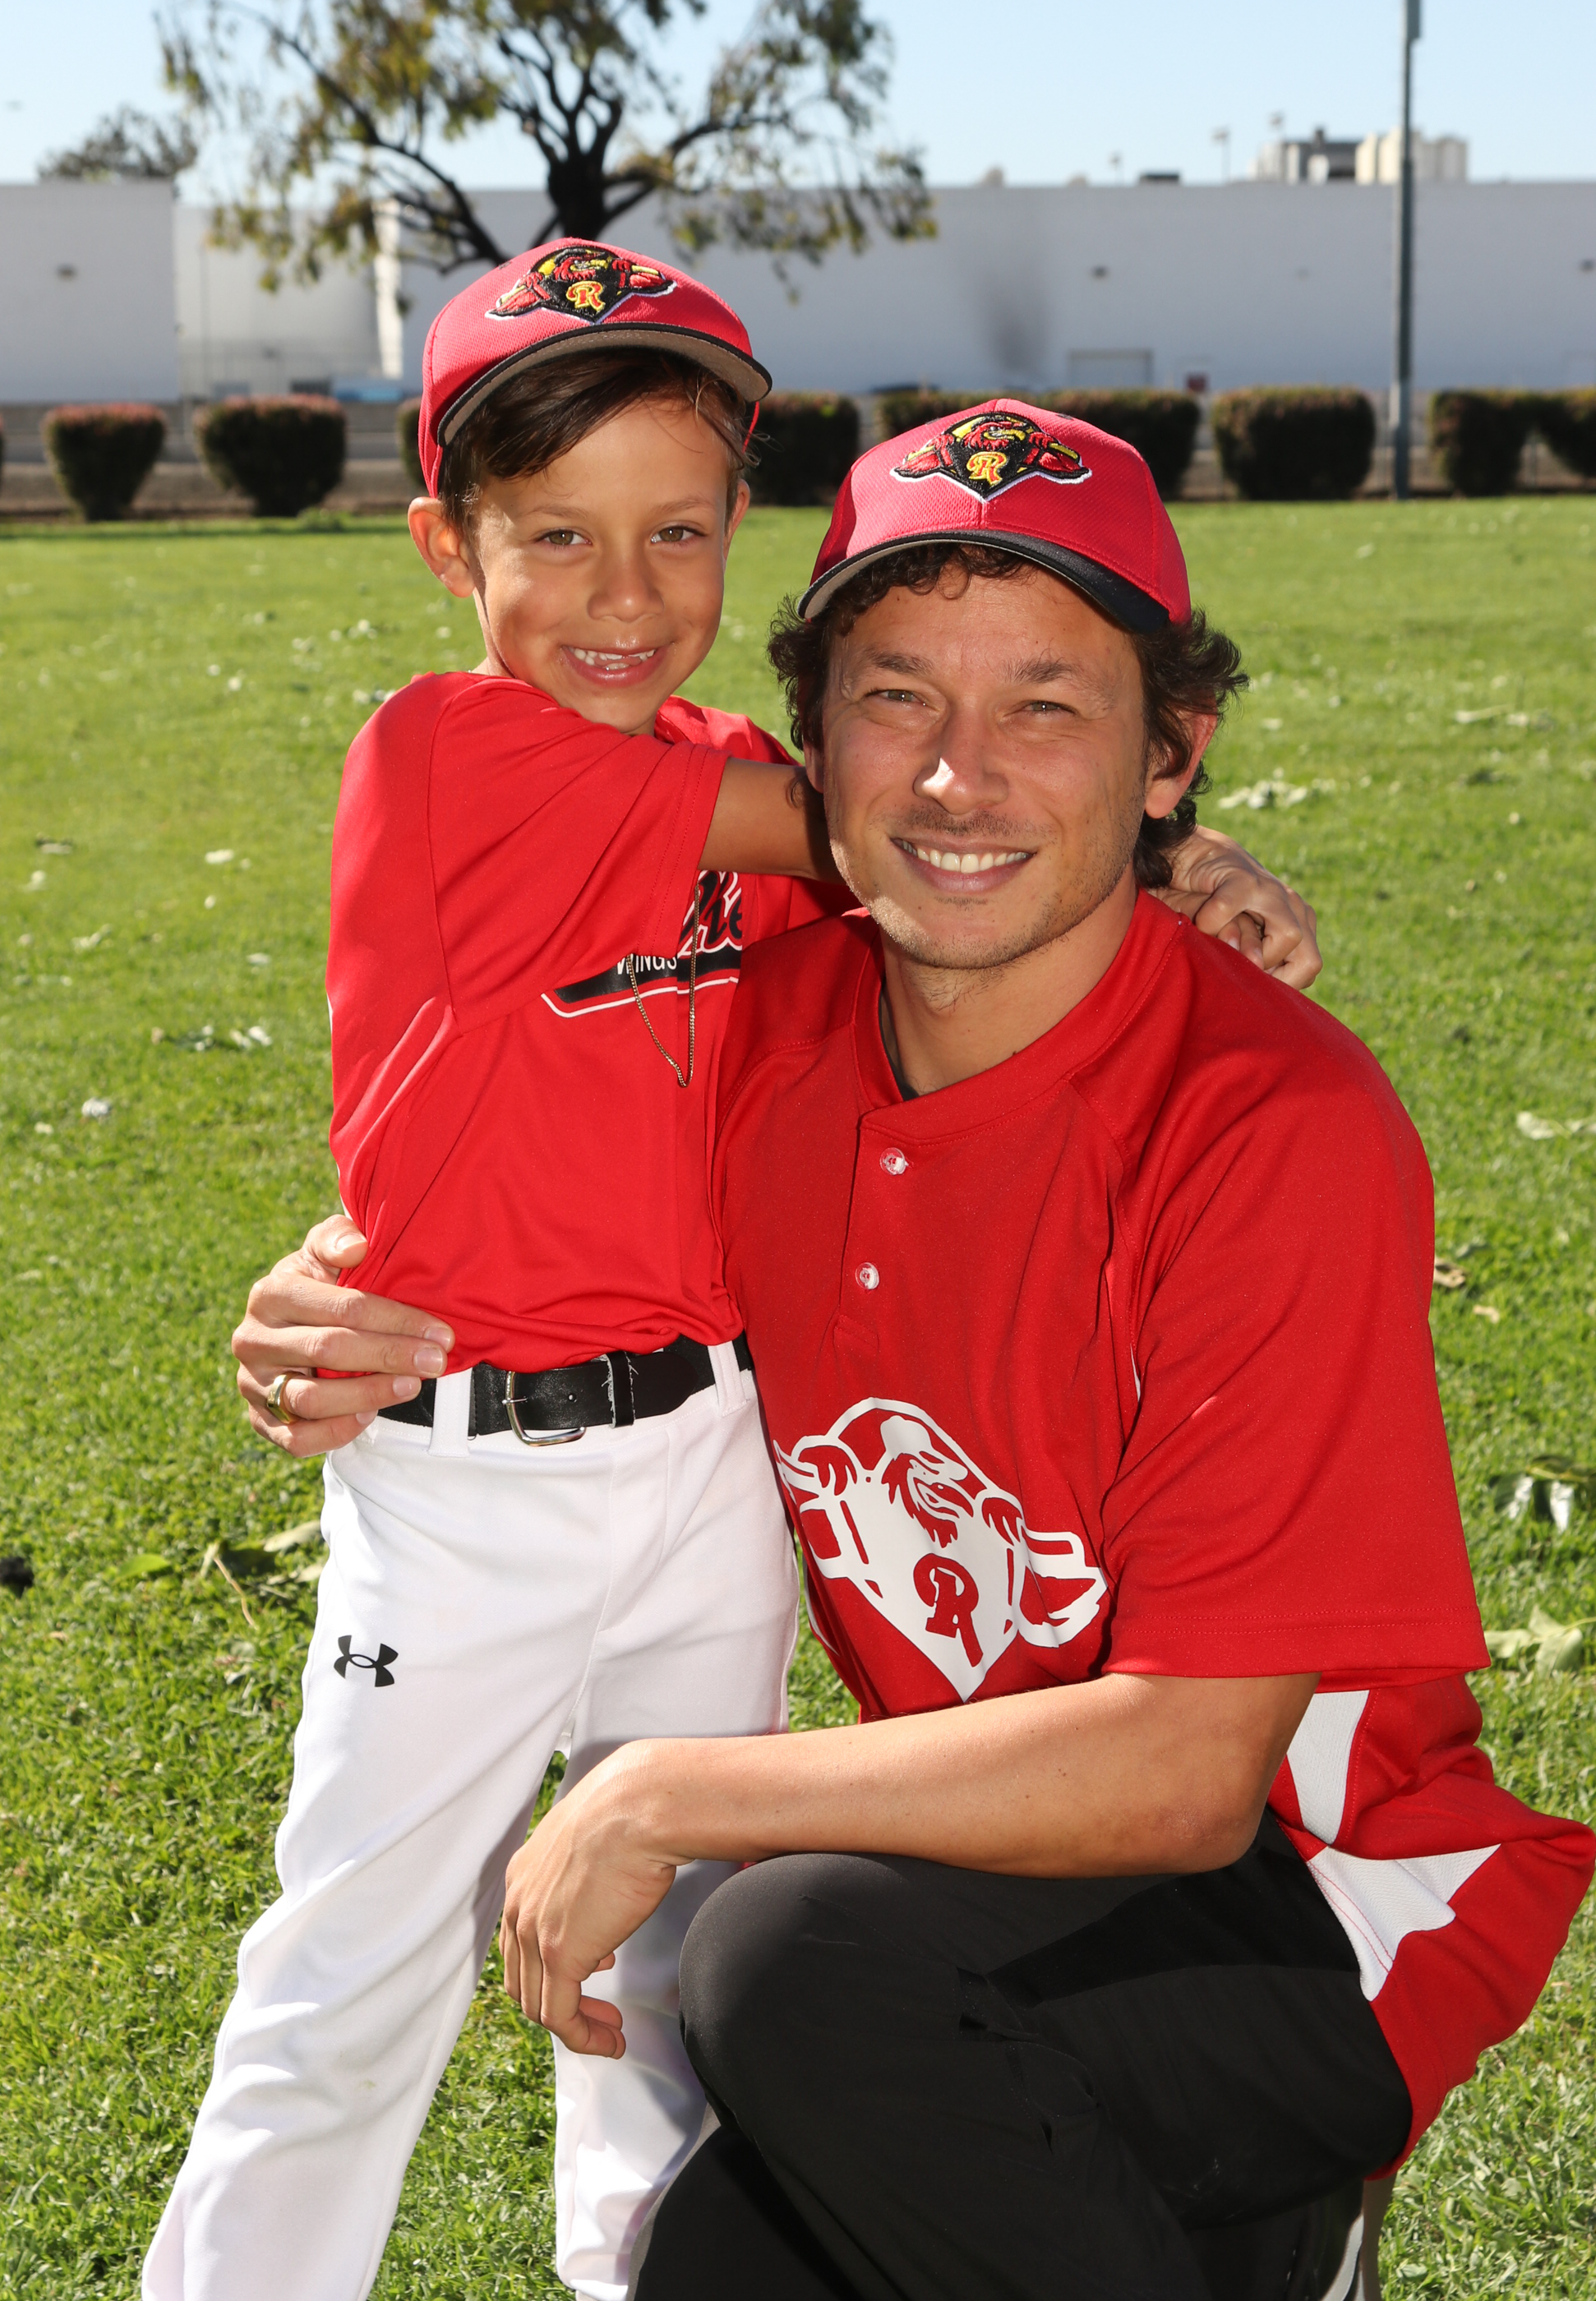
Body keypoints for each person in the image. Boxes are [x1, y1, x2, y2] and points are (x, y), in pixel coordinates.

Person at [161, 249, 1314, 2301]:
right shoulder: (449, 750)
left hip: (711, 1453)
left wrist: (1161, 866)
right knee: (354, 1970)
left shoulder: (722, 768)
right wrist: (1161, 839)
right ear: (444, 544)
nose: (622, 593)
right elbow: (877, 827)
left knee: (673, 1972)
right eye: (555, 536)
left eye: (677, 531)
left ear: (735, 528)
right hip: (466, 1468)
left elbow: (926, 919)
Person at [473, 407, 1589, 2297]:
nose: (956, 775)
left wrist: (663, 1791)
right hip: (990, 1882)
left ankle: (1279, 2217)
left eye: (1046, 707)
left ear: (1171, 754)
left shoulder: (1273, 1122)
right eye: (895, 696)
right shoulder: (763, 1028)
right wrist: (343, 1280)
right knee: (716, 2263)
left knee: (788, 1953)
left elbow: (1188, 1769)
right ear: (814, 736)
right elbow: (524, 1200)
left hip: (1312, 1892)